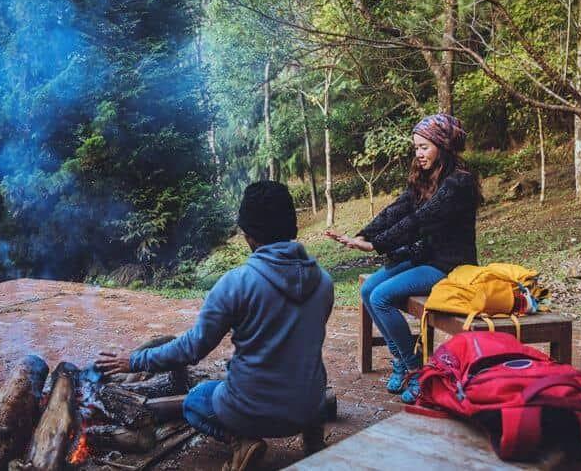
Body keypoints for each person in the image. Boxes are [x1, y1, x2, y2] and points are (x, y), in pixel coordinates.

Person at [97, 181, 334, 471]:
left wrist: (134, 360)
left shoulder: (236, 283)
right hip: (310, 406)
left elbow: (192, 348)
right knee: (307, 366)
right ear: (293, 229)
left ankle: (241, 442)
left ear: (248, 235)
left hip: (252, 412)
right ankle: (313, 440)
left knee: (194, 401)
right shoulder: (323, 281)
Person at [325, 114, 481, 404]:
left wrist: (377, 245)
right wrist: (365, 235)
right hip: (425, 256)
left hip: (449, 266)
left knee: (382, 296)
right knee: (368, 289)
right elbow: (397, 210)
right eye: (416, 148)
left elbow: (421, 220)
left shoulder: (459, 183)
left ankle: (416, 369)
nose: (418, 154)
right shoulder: (426, 177)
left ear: (442, 145)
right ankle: (401, 357)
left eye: (424, 147)